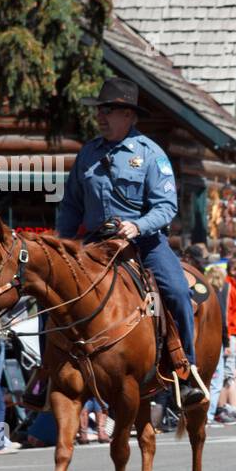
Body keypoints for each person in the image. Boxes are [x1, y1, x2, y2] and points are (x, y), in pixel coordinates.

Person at [55, 76, 208, 407]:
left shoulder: (152, 154)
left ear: (128, 115)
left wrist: (138, 227)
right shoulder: (87, 155)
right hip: (96, 244)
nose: (101, 117)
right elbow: (71, 205)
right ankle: (48, 371)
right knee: (52, 288)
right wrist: (62, 246)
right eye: (99, 110)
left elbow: (166, 207)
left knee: (178, 291)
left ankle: (186, 370)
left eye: (108, 110)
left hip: (145, 243)